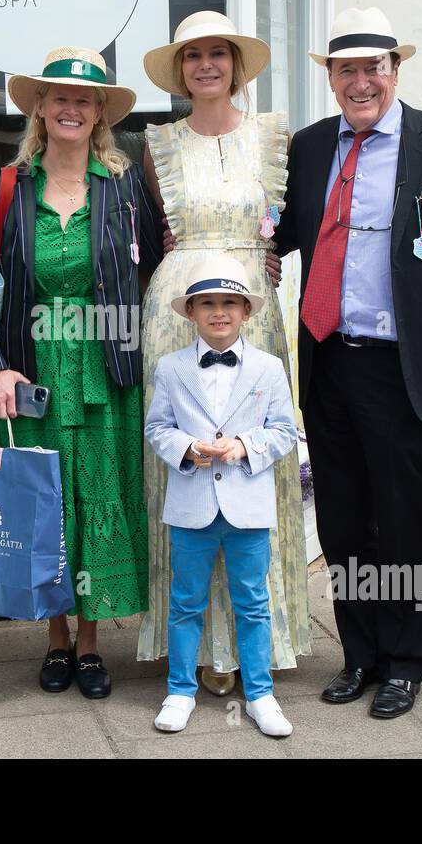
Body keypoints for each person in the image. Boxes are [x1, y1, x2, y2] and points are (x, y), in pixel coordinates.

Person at [273, 7, 422, 718]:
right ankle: (360, 653)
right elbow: (273, 232)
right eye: (348, 69)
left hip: (406, 365)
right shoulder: (310, 148)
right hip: (329, 360)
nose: (362, 81)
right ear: (332, 78)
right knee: (343, 521)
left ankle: (406, 660)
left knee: (400, 520)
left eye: (375, 67)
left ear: (395, 71)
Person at [0, 46, 164, 699]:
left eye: (84, 98)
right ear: (40, 109)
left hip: (109, 369)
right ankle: (54, 640)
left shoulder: (126, 185)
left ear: (99, 111)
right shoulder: (5, 188)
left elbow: (161, 267)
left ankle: (90, 641)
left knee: (98, 501)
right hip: (37, 371)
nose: (71, 108)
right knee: (43, 501)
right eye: (59, 97)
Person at [136, 10, 309, 694]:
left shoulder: (274, 136)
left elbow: (299, 222)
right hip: (175, 311)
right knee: (183, 464)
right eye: (193, 56)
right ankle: (195, 648)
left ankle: (255, 641)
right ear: (179, 71)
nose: (205, 64)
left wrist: (264, 260)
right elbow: (147, 231)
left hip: (253, 312)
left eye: (218, 53)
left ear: (236, 65)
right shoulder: (156, 145)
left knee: (253, 460)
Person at [144, 256, 298, 737]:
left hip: (247, 505)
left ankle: (259, 693)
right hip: (191, 505)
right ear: (190, 312)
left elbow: (285, 432)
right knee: (186, 600)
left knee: (252, 601)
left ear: (246, 312)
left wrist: (243, 446)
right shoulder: (171, 368)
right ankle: (179, 690)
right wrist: (188, 448)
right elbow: (157, 428)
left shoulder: (269, 368)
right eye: (207, 303)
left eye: (230, 303)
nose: (219, 312)